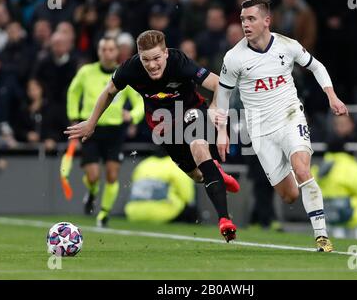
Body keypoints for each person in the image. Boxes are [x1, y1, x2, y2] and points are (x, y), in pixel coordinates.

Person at [65, 30, 240, 242]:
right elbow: (109, 91)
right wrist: (91, 123)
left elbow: (218, 84)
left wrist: (218, 119)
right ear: (139, 56)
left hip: (191, 111)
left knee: (198, 147)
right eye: (146, 59)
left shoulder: (179, 62)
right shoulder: (130, 68)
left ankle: (224, 220)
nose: (152, 65)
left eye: (157, 58)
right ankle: (217, 175)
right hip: (163, 126)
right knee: (197, 176)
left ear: (166, 53)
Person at [215, 0, 349, 252]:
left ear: (267, 20)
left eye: (251, 19)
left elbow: (316, 66)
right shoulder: (234, 58)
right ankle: (297, 182)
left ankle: (321, 236)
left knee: (301, 168)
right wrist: (222, 131)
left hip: (290, 117)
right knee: (289, 195)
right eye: (243, 19)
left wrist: (331, 95)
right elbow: (222, 96)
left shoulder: (287, 46)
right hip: (260, 131)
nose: (245, 24)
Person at [66, 37, 145, 227]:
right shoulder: (86, 72)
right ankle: (92, 192)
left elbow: (140, 101)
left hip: (115, 130)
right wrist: (74, 116)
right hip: (91, 129)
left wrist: (133, 116)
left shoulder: (124, 73)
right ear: (99, 51)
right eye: (103, 49)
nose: (107, 53)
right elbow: (73, 92)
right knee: (93, 176)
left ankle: (103, 214)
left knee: (112, 174)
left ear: (116, 52)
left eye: (111, 49)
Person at [124, 151, 197, 223]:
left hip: (134, 213)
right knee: (191, 209)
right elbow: (187, 196)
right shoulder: (175, 165)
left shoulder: (144, 164)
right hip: (165, 213)